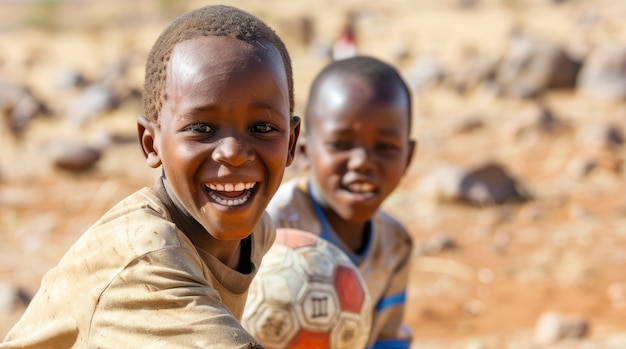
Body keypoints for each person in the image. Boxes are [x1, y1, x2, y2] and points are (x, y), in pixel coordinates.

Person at [1, 5, 300, 349]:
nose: (232, 152)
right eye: (201, 128)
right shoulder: (144, 262)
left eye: (262, 128)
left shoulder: (256, 232)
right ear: (151, 143)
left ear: (291, 142)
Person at [266, 55, 416, 349]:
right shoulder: (269, 228)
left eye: (385, 147)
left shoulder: (395, 244)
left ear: (408, 157)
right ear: (304, 150)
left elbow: (387, 338)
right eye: (341, 144)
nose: (362, 162)